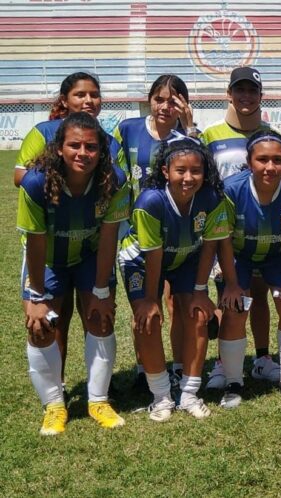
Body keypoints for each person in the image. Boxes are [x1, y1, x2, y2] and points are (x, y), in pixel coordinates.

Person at [18, 112, 130, 435]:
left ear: (102, 150)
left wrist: (101, 292)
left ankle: (98, 401)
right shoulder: (36, 183)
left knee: (101, 316)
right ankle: (54, 406)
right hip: (49, 259)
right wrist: (37, 297)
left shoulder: (114, 181)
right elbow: (36, 243)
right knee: (40, 325)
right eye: (75, 145)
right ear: (59, 148)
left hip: (91, 256)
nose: (83, 153)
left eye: (91, 147)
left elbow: (109, 238)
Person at [14, 72, 123, 390]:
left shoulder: (110, 142)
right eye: (80, 94)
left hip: (90, 245)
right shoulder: (43, 135)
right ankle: (55, 392)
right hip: (50, 245)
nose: (88, 100)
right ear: (64, 100)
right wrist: (58, 189)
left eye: (94, 94)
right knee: (48, 320)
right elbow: (20, 176)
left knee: (99, 316)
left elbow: (108, 192)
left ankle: (99, 391)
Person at [118, 134, 228, 421]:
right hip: (142, 263)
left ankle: (190, 393)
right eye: (181, 170)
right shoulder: (150, 201)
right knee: (149, 319)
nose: (189, 177)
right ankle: (161, 396)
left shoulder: (212, 197)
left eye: (196, 170)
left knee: (199, 314)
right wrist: (150, 298)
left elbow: (210, 245)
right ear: (166, 171)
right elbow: (153, 255)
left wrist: (202, 290)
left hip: (187, 257)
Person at [215, 131, 281, 405]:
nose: (270, 167)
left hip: (279, 255)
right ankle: (234, 382)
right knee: (236, 308)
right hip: (239, 255)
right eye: (262, 160)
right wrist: (233, 283)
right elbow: (222, 239)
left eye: (277, 160)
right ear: (249, 162)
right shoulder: (231, 189)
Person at [201, 67, 281, 388]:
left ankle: (262, 358)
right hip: (225, 235)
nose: (246, 97)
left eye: (252, 91)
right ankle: (223, 365)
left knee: (260, 297)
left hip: (264, 231)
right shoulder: (211, 134)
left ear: (261, 96)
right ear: (229, 94)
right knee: (231, 299)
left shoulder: (272, 134)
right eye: (240, 90)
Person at [114, 74, 196, 390]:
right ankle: (143, 367)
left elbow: (203, 174)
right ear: (149, 100)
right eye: (159, 99)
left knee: (175, 303)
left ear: (183, 104)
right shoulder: (128, 129)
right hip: (138, 237)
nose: (164, 106)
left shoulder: (185, 137)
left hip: (178, 238)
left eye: (173, 100)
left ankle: (176, 366)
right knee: (147, 304)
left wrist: (189, 128)